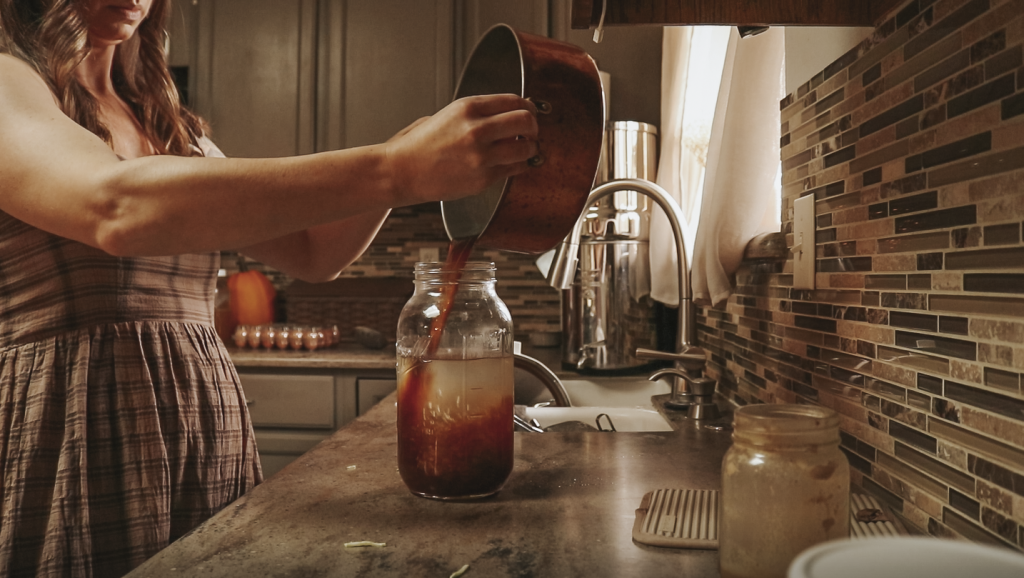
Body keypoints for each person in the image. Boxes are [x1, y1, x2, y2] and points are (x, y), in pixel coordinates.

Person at [0, 0, 539, 576]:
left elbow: (313, 249)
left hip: (203, 424)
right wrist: (396, 167)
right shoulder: (9, 83)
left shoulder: (164, 122)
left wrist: (414, 148)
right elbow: (114, 205)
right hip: (72, 426)